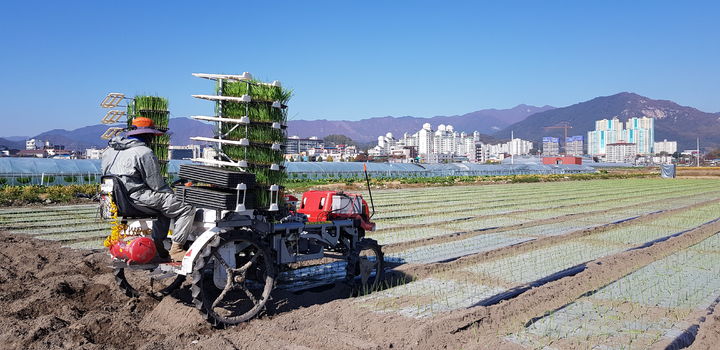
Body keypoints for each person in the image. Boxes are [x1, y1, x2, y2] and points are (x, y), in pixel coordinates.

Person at [101, 117, 194, 262]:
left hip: (116, 200)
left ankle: (158, 246)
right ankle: (177, 249)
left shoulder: (109, 151)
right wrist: (174, 193)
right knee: (186, 206)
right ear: (148, 136)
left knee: (165, 206)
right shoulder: (144, 152)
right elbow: (156, 185)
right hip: (137, 197)